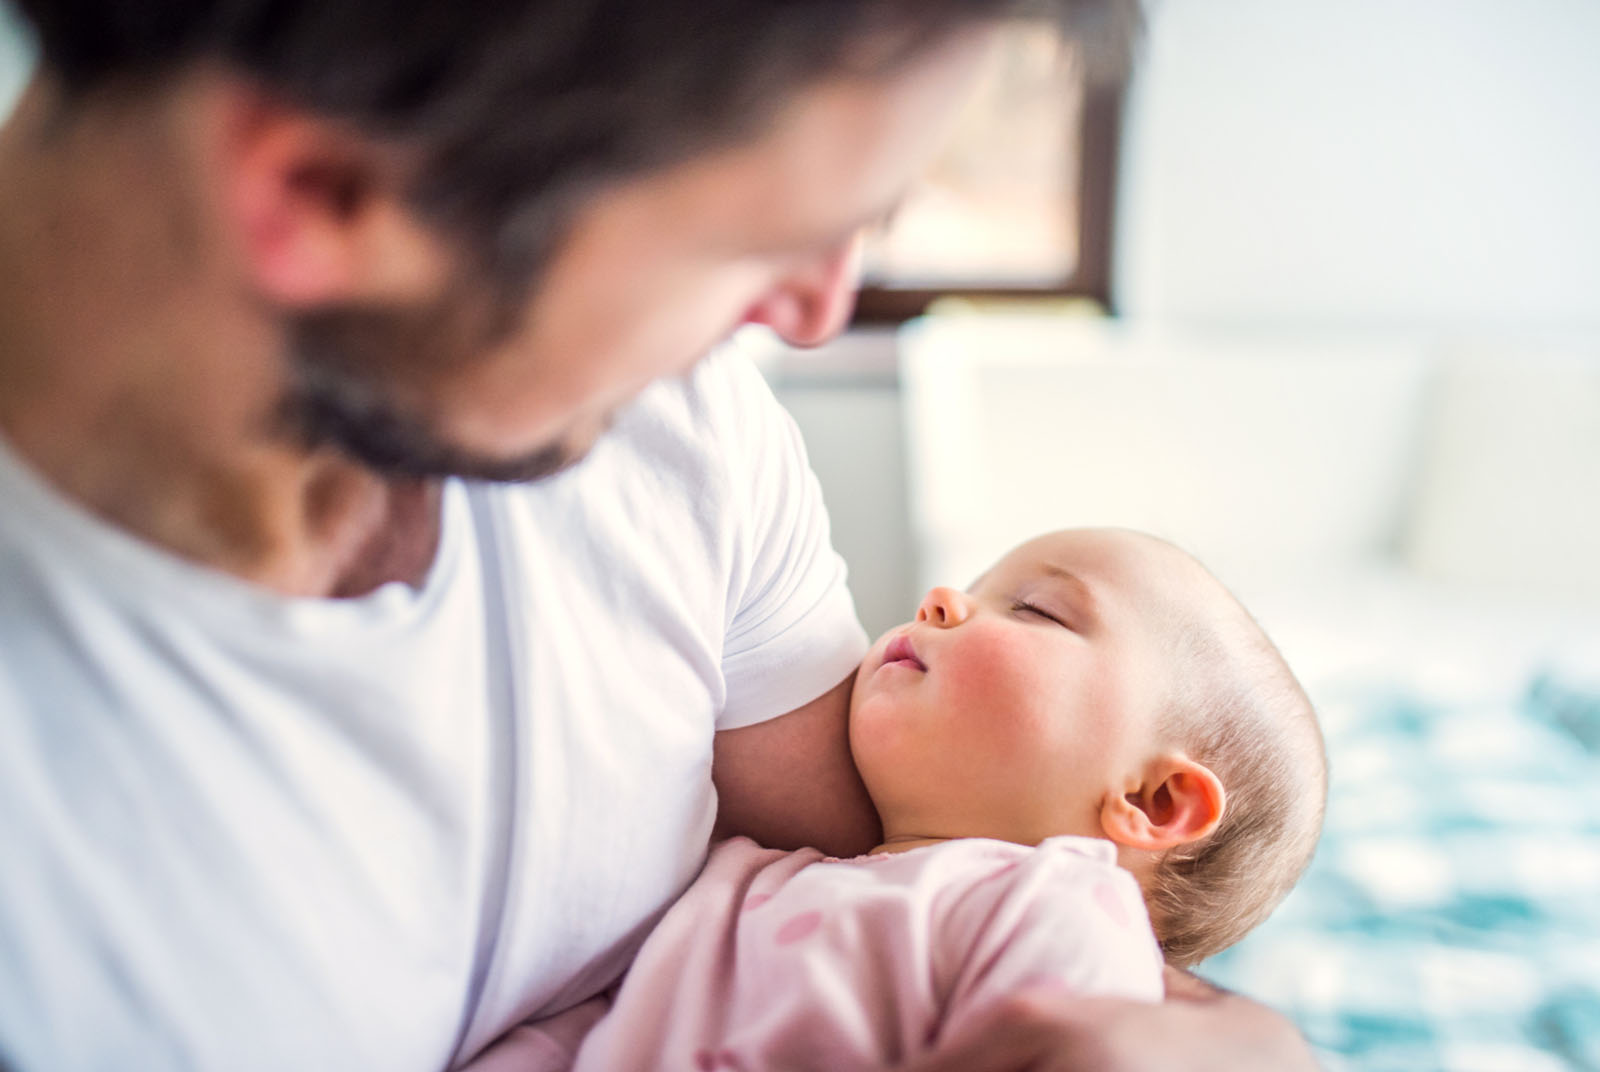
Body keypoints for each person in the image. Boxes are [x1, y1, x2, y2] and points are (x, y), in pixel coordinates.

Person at [0, 1, 1319, 1068]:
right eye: (764, 240)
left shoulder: (675, 423)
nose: (812, 317)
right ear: (323, 195)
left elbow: (979, 903)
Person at [468, 528, 1327, 1070]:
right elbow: (596, 1026)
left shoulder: (1054, 909)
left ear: (1154, 799)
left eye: (1034, 609)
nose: (943, 600)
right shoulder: (748, 873)